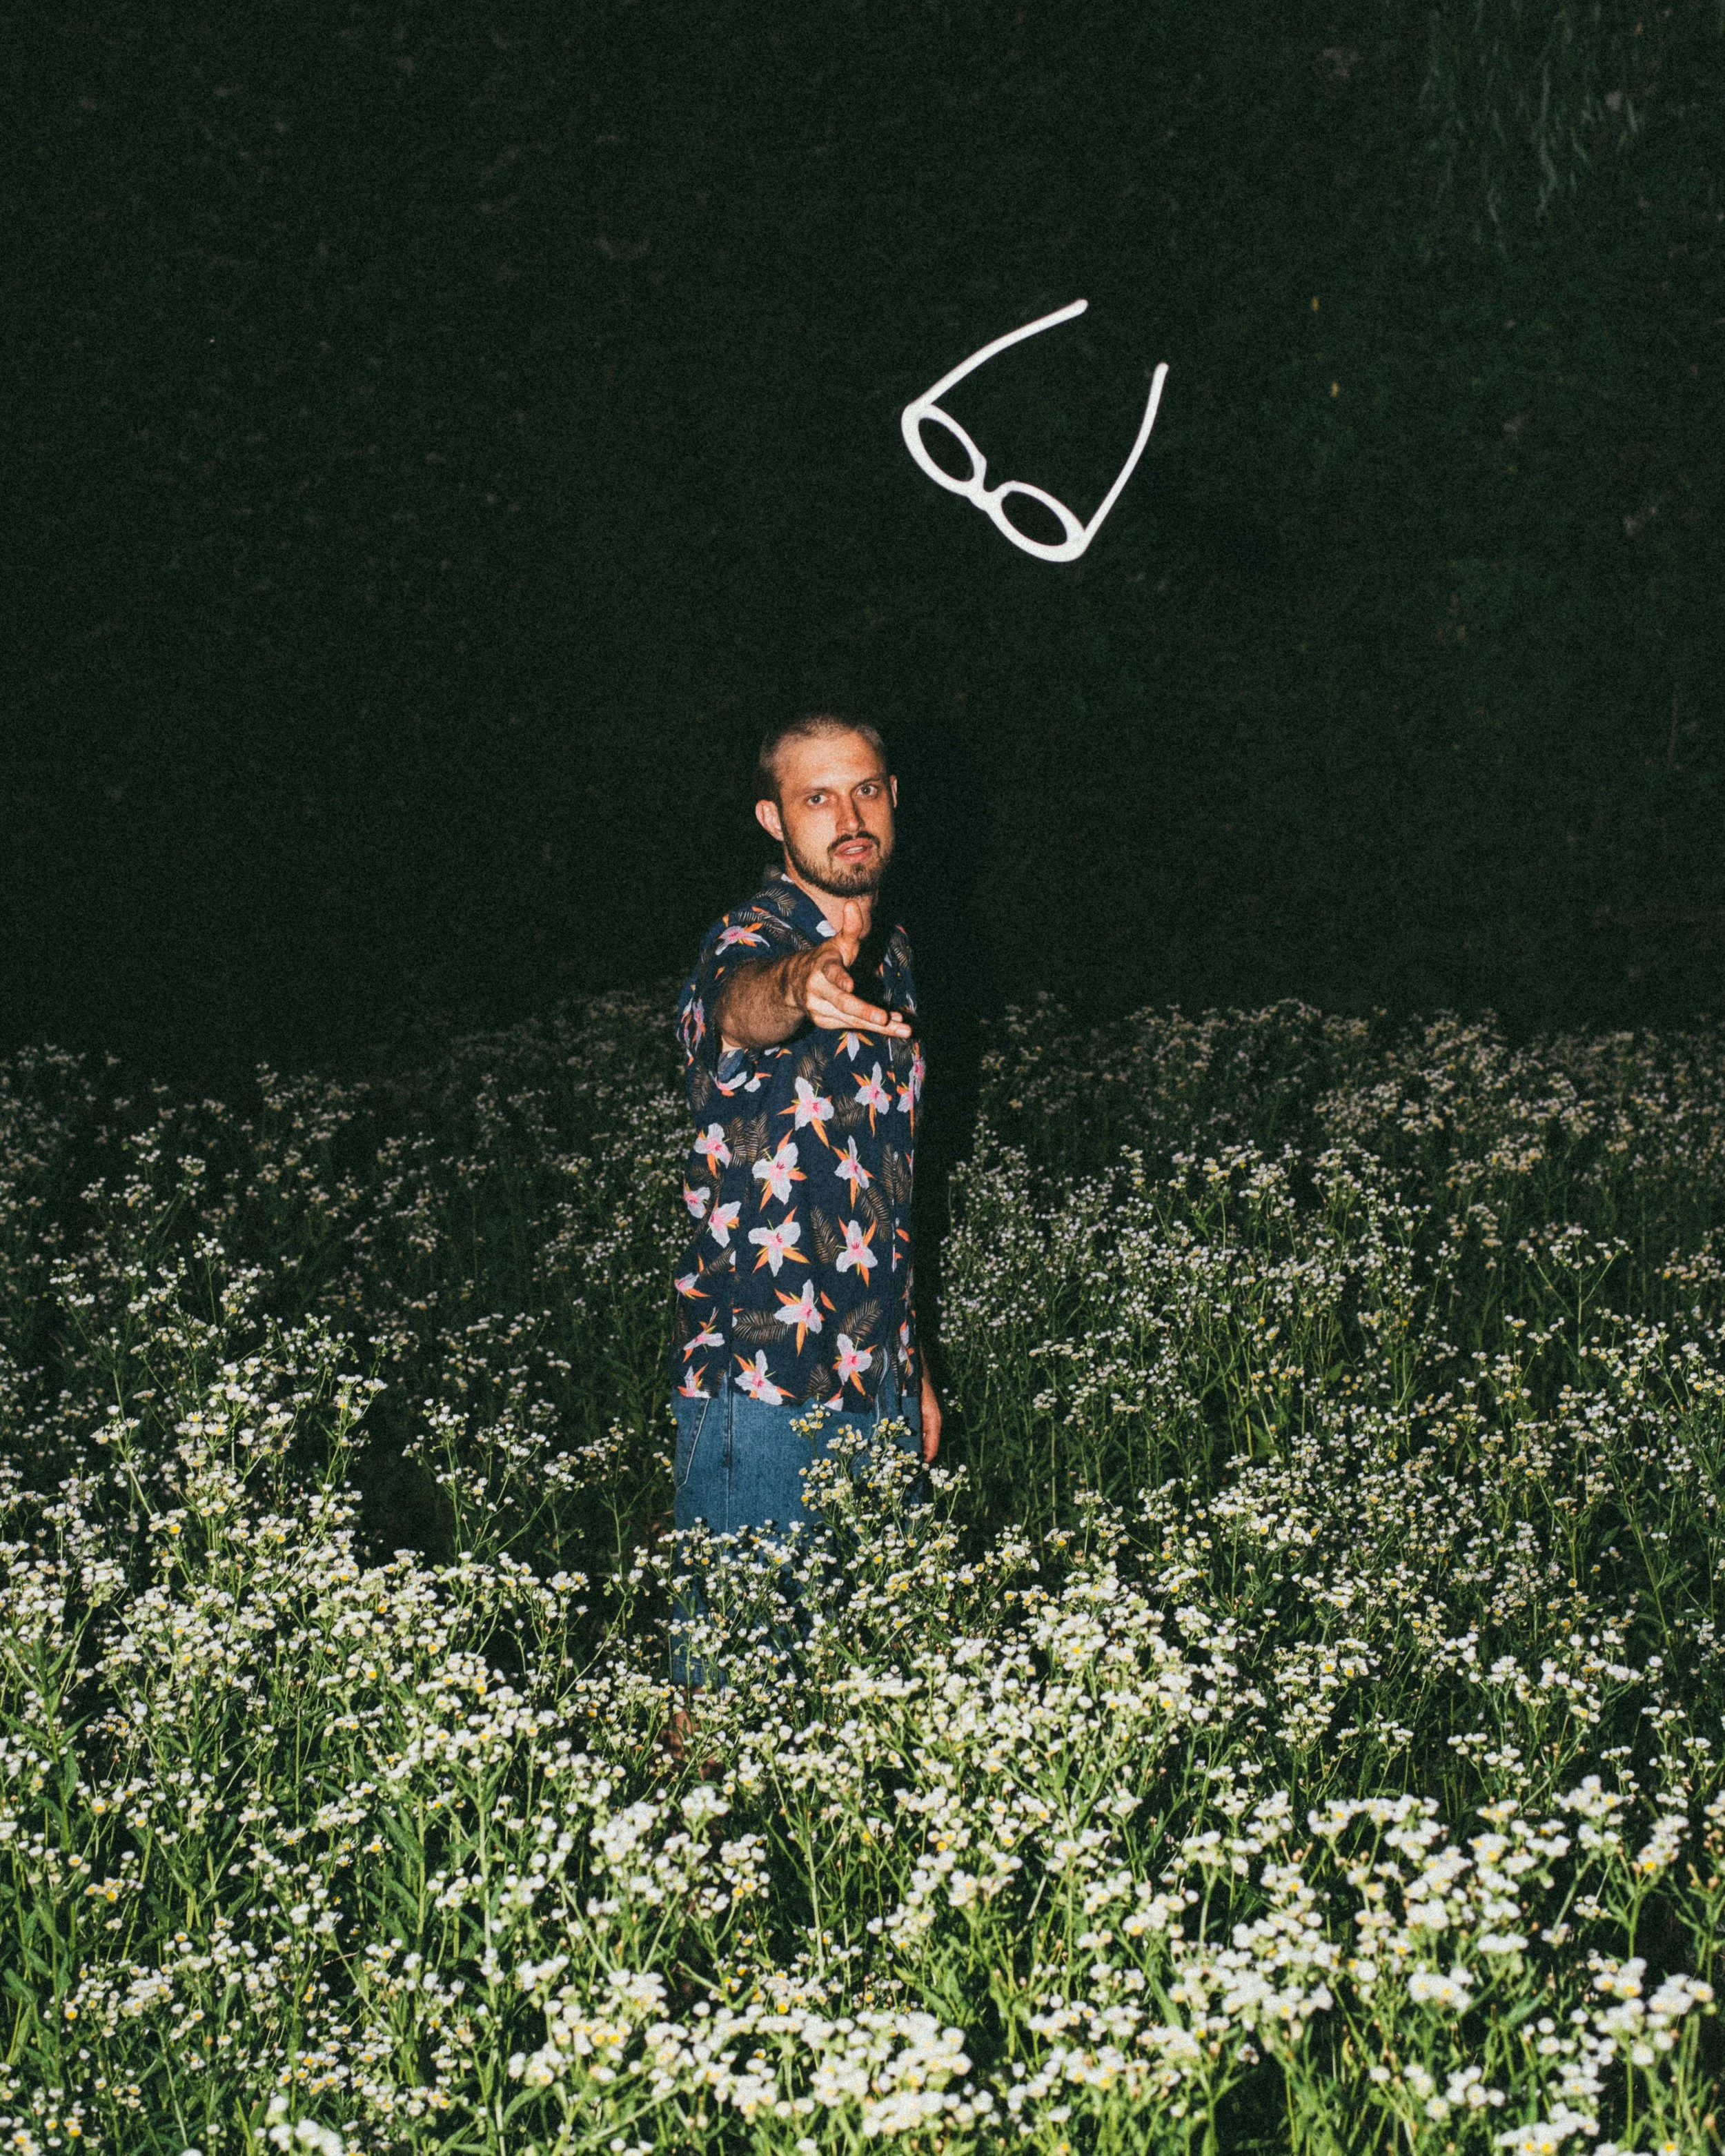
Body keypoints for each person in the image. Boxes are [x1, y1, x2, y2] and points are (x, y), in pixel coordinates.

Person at [669, 712, 940, 1614]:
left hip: (879, 1373)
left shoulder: (893, 957)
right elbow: (745, 1006)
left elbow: (881, 1184)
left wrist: (915, 1368)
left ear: (894, 798)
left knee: (863, 1684)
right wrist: (803, 984)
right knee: (727, 1691)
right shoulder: (746, 942)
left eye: (865, 788)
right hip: (763, 1378)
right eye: (816, 797)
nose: (849, 814)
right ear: (773, 820)